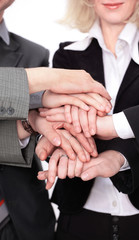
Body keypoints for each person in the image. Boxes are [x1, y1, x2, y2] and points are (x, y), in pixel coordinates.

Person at [37, 0, 139, 239]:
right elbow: (61, 124)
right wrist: (65, 145)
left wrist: (116, 152)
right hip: (79, 213)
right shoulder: (67, 55)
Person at [0, 0, 110, 239]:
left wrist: (33, 123)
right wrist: (45, 78)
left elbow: (39, 129)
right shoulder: (46, 73)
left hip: (22, 220)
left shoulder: (34, 53)